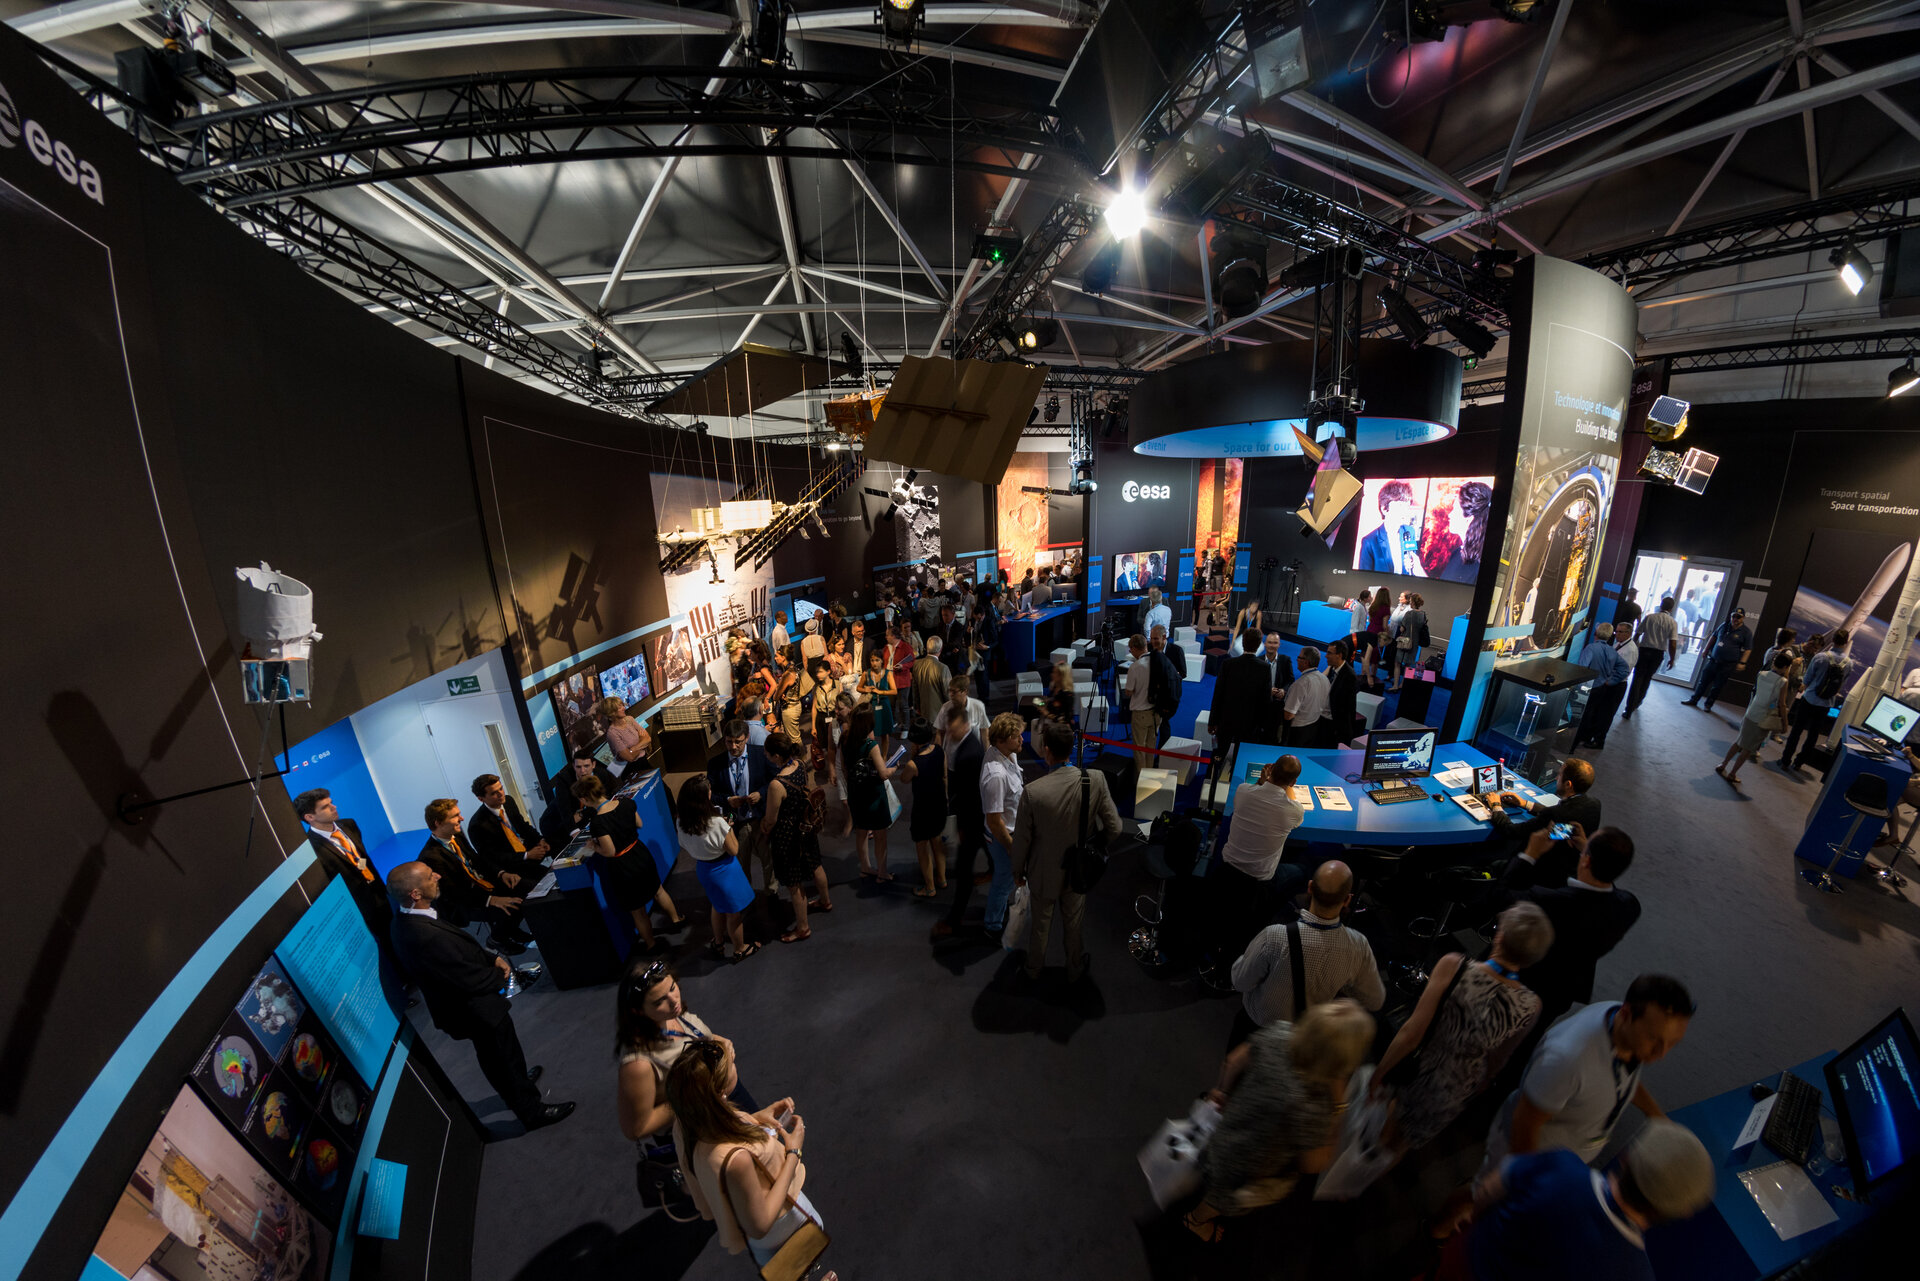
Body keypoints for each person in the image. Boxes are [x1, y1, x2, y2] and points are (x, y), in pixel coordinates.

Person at [1346, 904, 1554, 1188]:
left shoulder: (1455, 966)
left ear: (1500, 938)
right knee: (1402, 1142)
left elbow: (1411, 1032)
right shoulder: (1531, 1005)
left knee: (1385, 1123)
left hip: (1418, 1065)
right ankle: (1361, 1185)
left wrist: (1381, 1071)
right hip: (1456, 1086)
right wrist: (1479, 1085)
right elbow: (1499, 1060)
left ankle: (1346, 1177)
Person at [386, 862, 573, 1131]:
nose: (438, 875)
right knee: (499, 1058)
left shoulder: (414, 916)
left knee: (505, 1054)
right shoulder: (421, 935)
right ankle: (531, 1111)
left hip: (476, 1005)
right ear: (415, 893)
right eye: (430, 876)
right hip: (474, 1010)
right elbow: (464, 978)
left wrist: (492, 957)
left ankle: (519, 1082)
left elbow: (459, 948)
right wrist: (503, 974)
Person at [1186, 1000, 1376, 1243]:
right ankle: (1196, 1220)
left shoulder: (1279, 1033)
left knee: (1211, 1163)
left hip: (1231, 1123)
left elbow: (1233, 1061)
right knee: (1223, 1196)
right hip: (1252, 1165)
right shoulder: (1314, 1104)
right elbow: (1313, 1164)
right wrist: (1339, 1108)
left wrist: (1222, 1091)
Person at [1479, 974, 1695, 1177]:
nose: (1662, 1054)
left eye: (1672, 1043)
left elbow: (1620, 1079)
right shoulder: (1566, 1061)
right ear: (1627, 1014)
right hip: (1530, 1159)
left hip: (1566, 1157)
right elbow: (1524, 1124)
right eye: (1654, 1040)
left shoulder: (1628, 1034)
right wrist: (1532, 1181)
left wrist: (1658, 1118)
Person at [1460, 1119, 1714, 1281]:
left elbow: (1487, 1192)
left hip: (1469, 1262)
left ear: (1626, 1157)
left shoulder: (1560, 1166)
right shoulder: (1636, 1274)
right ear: (1678, 1213)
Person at [664, 1038, 834, 1277]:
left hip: (760, 1231)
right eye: (732, 1063)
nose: (734, 1059)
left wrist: (756, 1118)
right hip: (783, 1227)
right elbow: (760, 1224)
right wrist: (793, 1152)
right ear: (721, 1093)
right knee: (799, 1268)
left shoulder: (687, 1124)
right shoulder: (736, 1160)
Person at [1228, 860, 1385, 1049]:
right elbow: (1375, 1000)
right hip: (1303, 1042)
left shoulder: (1274, 937)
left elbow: (1240, 981)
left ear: (1310, 887)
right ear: (1347, 900)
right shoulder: (1358, 946)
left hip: (1255, 1034)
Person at [1010, 718, 1122, 983]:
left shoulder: (1033, 792)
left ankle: (1033, 969)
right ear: (1072, 748)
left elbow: (1022, 841)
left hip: (1042, 872)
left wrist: (1018, 871)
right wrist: (1095, 847)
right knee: (1074, 924)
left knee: (1040, 926)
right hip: (1078, 870)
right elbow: (1115, 827)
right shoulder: (1095, 780)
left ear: (1046, 749)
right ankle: (1074, 968)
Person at [1502, 825, 1642, 1033]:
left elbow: (1502, 895)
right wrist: (1588, 849)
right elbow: (1610, 893)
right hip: (1564, 991)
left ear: (1586, 861)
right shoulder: (1629, 906)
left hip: (1523, 986)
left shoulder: (1548, 901)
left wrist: (1530, 853)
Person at [616, 959, 756, 1145]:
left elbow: (695, 1038)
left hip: (734, 1100)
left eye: (673, 988)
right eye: (659, 1001)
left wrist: (721, 1042)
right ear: (638, 1012)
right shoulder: (638, 1064)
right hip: (703, 1129)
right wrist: (695, 1095)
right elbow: (636, 1128)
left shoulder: (672, 1015)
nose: (674, 1000)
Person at [1212, 756, 1309, 963]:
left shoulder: (1243, 792)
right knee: (1303, 869)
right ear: (1293, 782)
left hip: (1226, 870)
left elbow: (1253, 793)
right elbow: (1292, 807)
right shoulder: (1294, 810)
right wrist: (1283, 785)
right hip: (1259, 881)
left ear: (1270, 771)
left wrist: (1262, 782)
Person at [573, 776, 684, 952]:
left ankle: (651, 945)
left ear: (585, 799)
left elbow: (609, 851)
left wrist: (593, 846)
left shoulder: (598, 822)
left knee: (637, 910)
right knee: (658, 889)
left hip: (623, 866)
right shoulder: (625, 803)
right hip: (640, 853)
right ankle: (677, 920)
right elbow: (639, 823)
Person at [417, 798, 533, 952]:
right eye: (455, 816)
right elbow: (455, 894)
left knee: (526, 888)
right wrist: (492, 900)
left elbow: (479, 861)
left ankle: (510, 931)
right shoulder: (431, 857)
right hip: (461, 902)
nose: (462, 818)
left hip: (478, 887)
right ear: (438, 823)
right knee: (511, 905)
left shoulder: (455, 836)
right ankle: (497, 939)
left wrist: (502, 873)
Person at [676, 776, 760, 962]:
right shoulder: (716, 823)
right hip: (725, 871)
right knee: (734, 913)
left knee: (717, 905)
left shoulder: (681, 820)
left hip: (704, 869)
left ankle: (719, 942)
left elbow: (684, 844)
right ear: (704, 797)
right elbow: (734, 849)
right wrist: (727, 829)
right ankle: (740, 948)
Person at [760, 732, 833, 944]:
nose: (765, 755)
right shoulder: (800, 764)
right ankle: (825, 901)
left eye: (767, 753)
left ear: (776, 756)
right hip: (806, 827)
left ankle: (802, 928)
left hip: (787, 836)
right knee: (815, 863)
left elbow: (771, 819)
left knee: (793, 883)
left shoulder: (777, 784)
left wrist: (764, 829)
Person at [294, 788, 391, 940]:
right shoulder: (311, 848)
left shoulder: (349, 825)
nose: (334, 807)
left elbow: (359, 855)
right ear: (309, 817)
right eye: (325, 807)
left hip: (380, 891)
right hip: (359, 909)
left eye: (331, 803)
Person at [1486, 758, 1602, 881]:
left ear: (1568, 784)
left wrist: (1496, 806)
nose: (1556, 778)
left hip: (1537, 872)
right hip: (1567, 869)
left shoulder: (1555, 814)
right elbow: (1562, 823)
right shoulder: (1594, 805)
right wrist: (1524, 803)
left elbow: (1510, 830)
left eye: (1559, 775)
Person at [707, 720, 774, 896]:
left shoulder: (761, 755)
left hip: (760, 818)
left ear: (747, 738)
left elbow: (774, 781)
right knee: (740, 864)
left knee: (768, 859)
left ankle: (771, 892)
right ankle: (747, 896)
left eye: (739, 741)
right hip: (735, 823)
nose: (734, 746)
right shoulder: (715, 764)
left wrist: (761, 793)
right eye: (729, 741)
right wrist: (728, 800)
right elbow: (710, 795)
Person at [1779, 627, 1852, 774]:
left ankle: (1785, 760)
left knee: (1797, 731)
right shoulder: (1849, 663)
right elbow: (1842, 684)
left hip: (1809, 699)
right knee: (1813, 735)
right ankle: (1799, 763)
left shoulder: (1820, 657)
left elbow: (1807, 678)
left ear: (1832, 640)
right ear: (1845, 643)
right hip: (1826, 704)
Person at [1719, 649, 1793, 786]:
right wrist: (1785, 723)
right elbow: (1782, 704)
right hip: (1763, 717)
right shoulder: (1783, 681)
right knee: (1748, 749)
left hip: (1751, 712)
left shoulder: (1761, 673)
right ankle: (1732, 773)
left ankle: (1723, 764)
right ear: (1785, 667)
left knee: (1739, 741)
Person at [467, 774, 551, 894]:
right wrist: (527, 855)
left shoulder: (508, 801)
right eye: (494, 793)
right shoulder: (477, 825)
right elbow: (492, 858)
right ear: (481, 798)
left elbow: (522, 825)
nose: (501, 794)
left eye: (501, 788)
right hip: (511, 869)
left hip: (528, 856)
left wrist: (540, 839)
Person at [842, 704, 899, 880]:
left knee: (861, 831)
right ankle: (882, 872)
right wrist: (894, 767)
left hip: (855, 792)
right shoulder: (871, 745)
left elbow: (845, 769)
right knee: (880, 834)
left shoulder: (845, 739)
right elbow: (883, 774)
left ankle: (865, 867)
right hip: (873, 795)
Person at [899, 718, 948, 899]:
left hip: (922, 808)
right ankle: (942, 879)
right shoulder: (940, 751)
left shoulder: (914, 763)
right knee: (937, 841)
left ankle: (929, 887)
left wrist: (912, 756)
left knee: (922, 846)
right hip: (939, 803)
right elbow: (944, 776)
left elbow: (904, 779)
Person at [1681, 606, 1753, 711]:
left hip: (1728, 664)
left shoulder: (1746, 632)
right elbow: (1714, 637)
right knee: (1703, 681)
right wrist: (1706, 649)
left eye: (1739, 617)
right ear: (1731, 616)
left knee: (1717, 686)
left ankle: (1708, 705)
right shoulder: (1724, 625)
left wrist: (1742, 662)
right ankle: (1694, 700)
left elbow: (1748, 649)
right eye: (1734, 616)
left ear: (1743, 618)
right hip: (1714, 660)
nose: (1735, 619)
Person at [541, 751, 618, 848]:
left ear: (593, 765)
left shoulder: (601, 774)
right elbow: (564, 808)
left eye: (586, 766)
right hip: (556, 823)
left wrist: (583, 814)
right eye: (578, 767)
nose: (582, 771)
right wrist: (574, 831)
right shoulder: (564, 779)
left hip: (580, 816)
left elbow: (606, 798)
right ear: (573, 766)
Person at [1619, 596, 1677, 721]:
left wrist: (1632, 646)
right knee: (1647, 679)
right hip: (1658, 654)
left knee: (1637, 679)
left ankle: (1628, 710)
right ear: (1671, 608)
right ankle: (1637, 703)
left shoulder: (1650, 617)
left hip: (1644, 651)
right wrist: (1672, 659)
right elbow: (1672, 643)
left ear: (1661, 605)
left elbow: (1638, 633)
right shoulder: (1672, 622)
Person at [1572, 624, 1630, 749]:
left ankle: (1573, 743)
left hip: (1587, 687)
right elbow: (1625, 669)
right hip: (1601, 688)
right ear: (1610, 637)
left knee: (1580, 715)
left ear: (1596, 634)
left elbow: (1582, 668)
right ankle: (1580, 740)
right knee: (1591, 714)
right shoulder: (1612, 651)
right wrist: (1611, 681)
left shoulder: (1591, 648)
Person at [1425, 480, 1493, 583]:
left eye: (1455, 509)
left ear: (1469, 518)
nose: (1449, 515)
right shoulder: (1457, 553)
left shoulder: (1478, 566)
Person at [1359, 481, 1422, 575]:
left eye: (1407, 506)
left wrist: (1412, 566)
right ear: (1384, 509)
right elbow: (1363, 579)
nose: (1405, 512)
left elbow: (1411, 561)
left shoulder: (1410, 531)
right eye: (1400, 506)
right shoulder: (1369, 542)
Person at [1282, 645, 1331, 747]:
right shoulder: (1324, 679)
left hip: (1297, 732)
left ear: (1306, 662)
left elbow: (1288, 715)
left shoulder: (1301, 683)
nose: (1297, 659)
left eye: (1299, 657)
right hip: (1314, 728)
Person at [932, 674, 988, 759]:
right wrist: (937, 756)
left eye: (954, 692)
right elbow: (939, 733)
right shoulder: (945, 707)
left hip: (973, 758)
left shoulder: (978, 706)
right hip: (951, 758)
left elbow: (984, 731)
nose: (950, 694)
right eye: (949, 691)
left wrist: (987, 755)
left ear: (965, 691)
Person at [598, 696, 652, 775]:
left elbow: (648, 738)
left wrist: (633, 749)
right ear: (612, 712)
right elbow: (629, 757)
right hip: (631, 770)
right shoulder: (612, 733)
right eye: (620, 707)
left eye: (623, 705)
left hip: (644, 762)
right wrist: (641, 741)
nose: (624, 708)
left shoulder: (630, 719)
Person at [856, 647, 896, 751]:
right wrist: (866, 689)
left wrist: (880, 692)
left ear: (882, 661)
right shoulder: (866, 673)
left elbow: (894, 691)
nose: (874, 663)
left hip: (884, 704)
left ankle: (884, 758)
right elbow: (858, 688)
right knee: (870, 733)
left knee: (885, 733)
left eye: (877, 660)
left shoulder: (888, 673)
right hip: (871, 705)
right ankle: (872, 756)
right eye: (872, 660)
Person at [1124, 632, 1155, 764]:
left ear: (1135, 648)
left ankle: (1140, 781)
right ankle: (1149, 776)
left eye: (1130, 649)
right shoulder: (1157, 660)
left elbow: (1129, 692)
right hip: (1156, 712)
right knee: (1151, 747)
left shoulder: (1135, 667)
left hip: (1140, 713)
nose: (1130, 652)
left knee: (1139, 749)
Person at [1389, 592, 1430, 691]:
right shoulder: (1423, 614)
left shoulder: (1409, 613)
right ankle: (1402, 685)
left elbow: (1402, 629)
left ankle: (1395, 686)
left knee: (1397, 663)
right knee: (1408, 666)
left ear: (1413, 602)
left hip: (1404, 642)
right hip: (1414, 644)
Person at [1325, 640, 1361, 746]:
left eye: (1329, 653)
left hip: (1335, 726)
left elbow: (1348, 708)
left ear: (1339, 655)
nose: (1326, 656)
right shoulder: (1333, 668)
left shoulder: (1349, 676)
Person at [912, 635, 951, 725]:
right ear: (940, 649)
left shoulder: (916, 665)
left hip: (923, 710)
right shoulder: (943, 668)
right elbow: (948, 693)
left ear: (927, 648)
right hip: (939, 714)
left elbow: (915, 690)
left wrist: (917, 707)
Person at [771, 647, 803, 743]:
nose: (775, 658)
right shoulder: (794, 668)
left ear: (783, 657)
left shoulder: (788, 673)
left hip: (790, 709)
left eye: (777, 656)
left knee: (794, 739)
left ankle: (800, 757)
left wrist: (778, 692)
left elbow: (776, 696)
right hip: (795, 705)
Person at [1364, 586, 1392, 686]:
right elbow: (1385, 626)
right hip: (1378, 634)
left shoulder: (1373, 606)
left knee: (1367, 654)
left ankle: (1364, 675)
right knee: (1375, 656)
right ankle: (1372, 676)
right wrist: (1389, 632)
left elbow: (1370, 620)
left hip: (1370, 630)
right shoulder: (1386, 608)